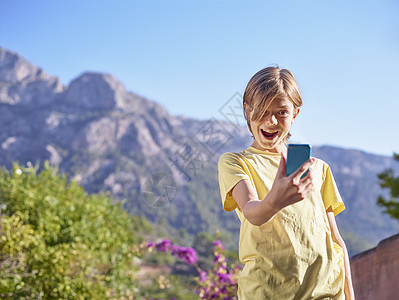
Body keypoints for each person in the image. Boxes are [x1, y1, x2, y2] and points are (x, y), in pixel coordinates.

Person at [218, 66, 355, 299]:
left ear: (295, 114)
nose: (271, 121)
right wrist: (274, 201)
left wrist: (350, 295)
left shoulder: (318, 169)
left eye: (281, 112)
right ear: (247, 110)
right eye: (261, 110)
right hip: (267, 293)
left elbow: (335, 239)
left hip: (326, 294)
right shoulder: (235, 162)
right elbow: (252, 212)